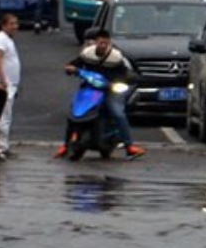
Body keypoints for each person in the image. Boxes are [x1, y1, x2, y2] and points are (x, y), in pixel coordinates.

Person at [57, 28, 145, 159]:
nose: (103, 45)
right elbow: (75, 64)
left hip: (108, 89)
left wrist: (120, 81)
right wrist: (71, 68)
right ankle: (65, 144)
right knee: (74, 111)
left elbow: (124, 73)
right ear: (96, 42)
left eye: (105, 43)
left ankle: (129, 146)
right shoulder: (87, 54)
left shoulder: (115, 57)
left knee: (117, 112)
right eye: (100, 42)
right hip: (89, 87)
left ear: (109, 42)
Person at [0, 13, 23, 159]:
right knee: (3, 116)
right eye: (11, 24)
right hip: (5, 85)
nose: (15, 26)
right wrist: (3, 80)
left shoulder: (7, 40)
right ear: (3, 25)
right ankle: (0, 148)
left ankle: (3, 145)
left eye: (16, 23)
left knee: (7, 116)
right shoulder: (0, 40)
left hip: (11, 84)